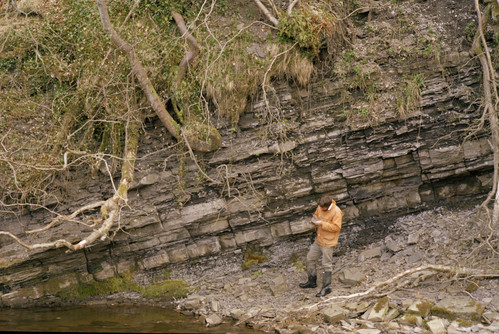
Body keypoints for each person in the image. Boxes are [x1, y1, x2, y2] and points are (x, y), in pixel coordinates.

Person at [299, 194, 343, 297]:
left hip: (328, 242)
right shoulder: (320, 206)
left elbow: (337, 227)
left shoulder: (336, 212)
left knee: (326, 264)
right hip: (319, 240)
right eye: (320, 207)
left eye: (323, 209)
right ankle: (312, 281)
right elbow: (316, 215)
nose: (321, 209)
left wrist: (322, 223)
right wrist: (314, 221)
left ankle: (326, 288)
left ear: (328, 206)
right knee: (310, 258)